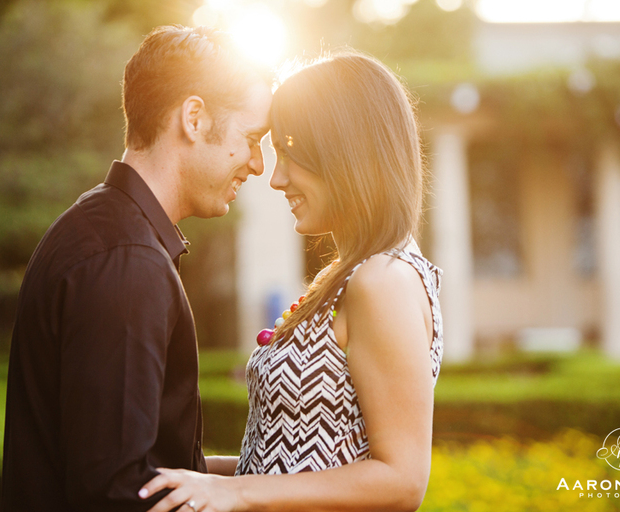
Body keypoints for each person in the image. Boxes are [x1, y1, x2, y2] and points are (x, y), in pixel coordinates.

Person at [139, 52, 444, 512]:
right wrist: (190, 475)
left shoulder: (384, 281)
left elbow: (401, 481)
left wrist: (236, 492)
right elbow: (292, 462)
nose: (276, 178)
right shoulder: (350, 275)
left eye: (289, 154)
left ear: (345, 152)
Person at [1, 25, 271, 510]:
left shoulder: (104, 230)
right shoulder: (128, 263)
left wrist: (276, 481)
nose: (257, 164)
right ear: (193, 117)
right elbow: (119, 493)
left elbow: (146, 468)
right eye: (251, 139)